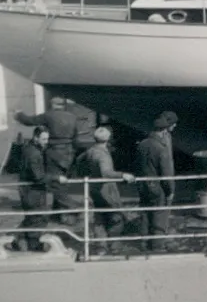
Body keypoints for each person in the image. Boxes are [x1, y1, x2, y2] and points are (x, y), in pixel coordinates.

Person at [15, 96, 78, 224]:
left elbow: (29, 121)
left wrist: (18, 114)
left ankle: (73, 208)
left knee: (55, 185)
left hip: (54, 153)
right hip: (69, 153)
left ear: (53, 104)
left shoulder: (49, 115)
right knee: (61, 183)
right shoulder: (72, 117)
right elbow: (76, 136)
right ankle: (57, 214)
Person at [74, 126, 134, 255]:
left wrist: (86, 174)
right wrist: (123, 175)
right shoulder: (102, 155)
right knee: (116, 217)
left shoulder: (91, 150)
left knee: (99, 218)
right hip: (106, 189)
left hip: (93, 188)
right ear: (108, 138)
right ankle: (114, 245)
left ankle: (101, 246)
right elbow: (106, 172)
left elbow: (79, 161)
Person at [135, 113, 176, 252]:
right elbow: (166, 174)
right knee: (160, 214)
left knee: (145, 212)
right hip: (157, 186)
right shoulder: (161, 148)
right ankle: (157, 246)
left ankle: (143, 242)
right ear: (164, 131)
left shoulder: (142, 144)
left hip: (142, 184)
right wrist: (170, 191)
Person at [14, 126, 57, 252]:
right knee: (37, 219)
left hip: (28, 190)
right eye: (44, 139)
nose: (46, 142)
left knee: (33, 218)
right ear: (35, 138)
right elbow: (38, 177)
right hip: (33, 192)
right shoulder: (34, 153)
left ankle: (16, 238)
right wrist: (56, 178)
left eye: (47, 139)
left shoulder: (29, 149)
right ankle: (33, 247)